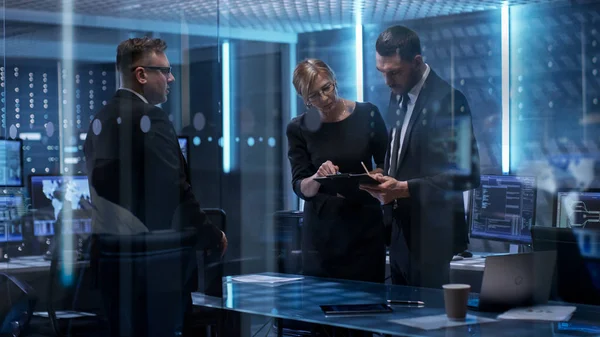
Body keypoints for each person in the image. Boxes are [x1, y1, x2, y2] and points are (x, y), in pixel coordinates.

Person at [83, 37, 227, 335]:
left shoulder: (100, 119)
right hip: (156, 268)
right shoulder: (151, 118)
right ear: (141, 74)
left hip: (113, 265)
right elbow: (175, 192)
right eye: (165, 70)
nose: (171, 77)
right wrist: (212, 236)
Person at [360, 26, 480, 288]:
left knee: (428, 326)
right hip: (400, 235)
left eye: (394, 72)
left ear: (417, 62)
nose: (387, 81)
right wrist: (383, 175)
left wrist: (404, 189)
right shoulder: (398, 96)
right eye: (382, 73)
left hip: (433, 240)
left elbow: (467, 173)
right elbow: (402, 156)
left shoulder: (449, 101)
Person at [286, 58, 388, 284]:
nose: (324, 98)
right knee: (320, 308)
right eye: (314, 95)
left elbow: (387, 163)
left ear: (334, 80)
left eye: (326, 88)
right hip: (323, 234)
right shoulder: (298, 128)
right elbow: (300, 186)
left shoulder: (368, 114)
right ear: (305, 99)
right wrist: (318, 176)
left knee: (368, 306)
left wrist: (376, 176)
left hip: (364, 226)